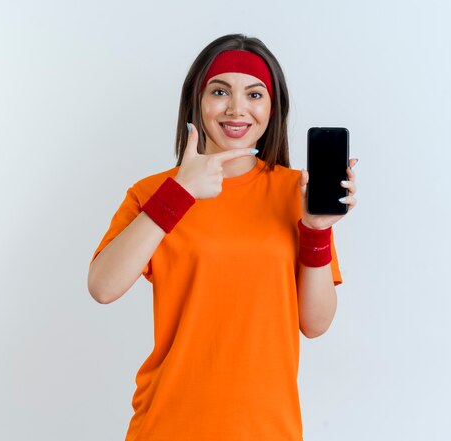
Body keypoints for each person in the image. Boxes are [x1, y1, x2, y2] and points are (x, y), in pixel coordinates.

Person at [87, 33, 358, 441]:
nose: (236, 108)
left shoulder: (296, 194)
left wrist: (316, 230)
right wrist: (180, 193)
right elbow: (103, 287)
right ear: (197, 101)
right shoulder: (154, 192)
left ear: (272, 108)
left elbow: (315, 324)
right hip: (168, 425)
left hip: (268, 429)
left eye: (254, 94)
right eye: (220, 91)